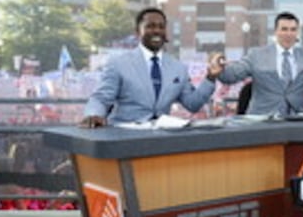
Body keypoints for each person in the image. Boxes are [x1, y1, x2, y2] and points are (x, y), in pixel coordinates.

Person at [81, 7, 222, 127]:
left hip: (159, 141)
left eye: (161, 27)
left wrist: (210, 78)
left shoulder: (178, 68)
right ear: (138, 31)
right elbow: (101, 98)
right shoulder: (118, 64)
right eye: (150, 26)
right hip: (123, 138)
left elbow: (193, 104)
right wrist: (94, 116)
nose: (157, 31)